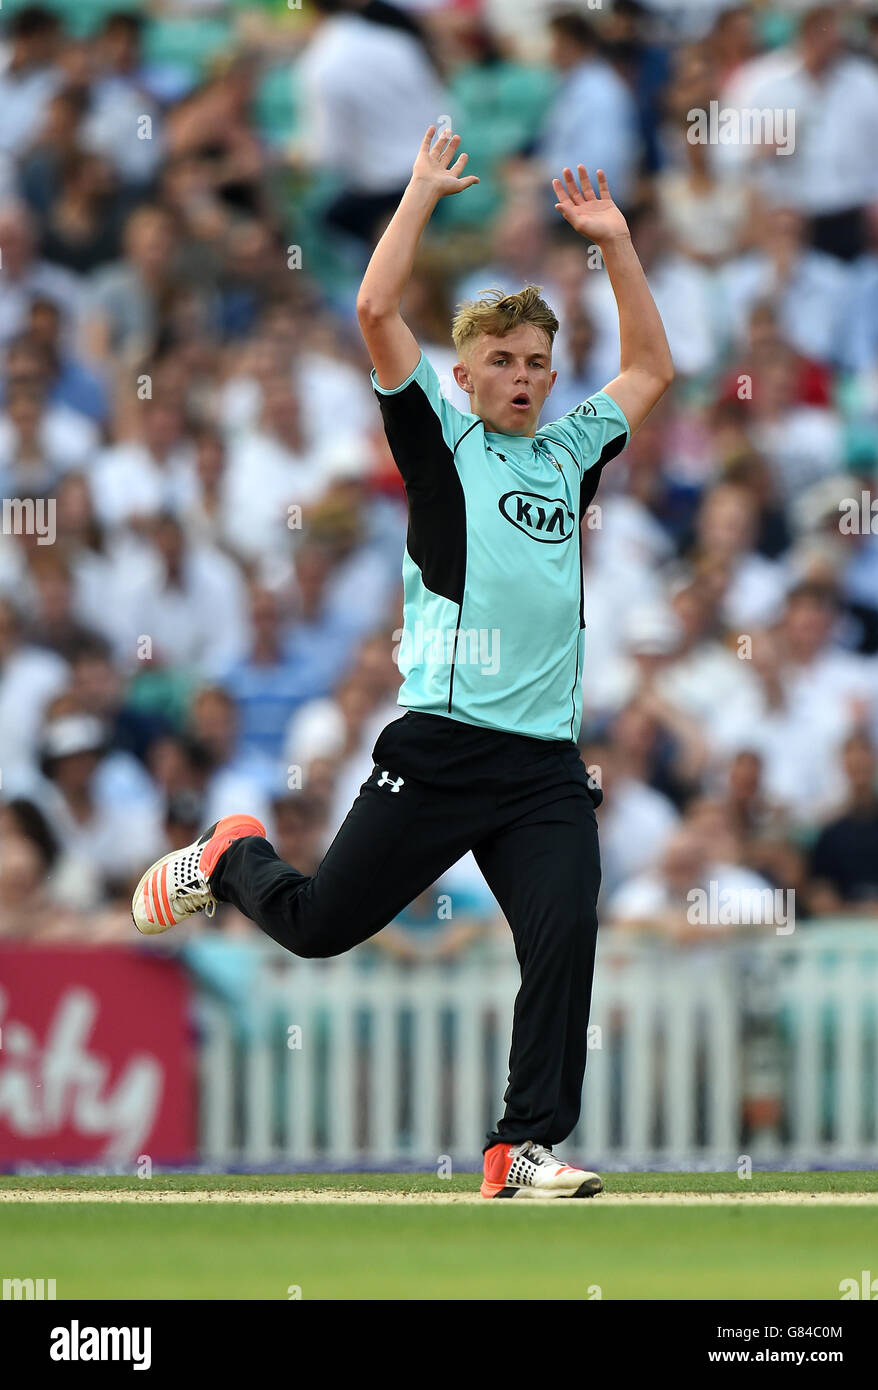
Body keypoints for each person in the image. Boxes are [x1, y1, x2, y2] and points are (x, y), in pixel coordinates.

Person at [130, 127, 674, 1198]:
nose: (520, 380)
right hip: (437, 744)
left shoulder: (569, 451)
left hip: (541, 764)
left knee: (564, 932)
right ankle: (230, 857)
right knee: (321, 926)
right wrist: (419, 192)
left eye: (535, 365)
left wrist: (613, 246)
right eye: (501, 365)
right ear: (463, 374)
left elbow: (652, 367)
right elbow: (376, 311)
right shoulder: (440, 439)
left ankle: (519, 1147)